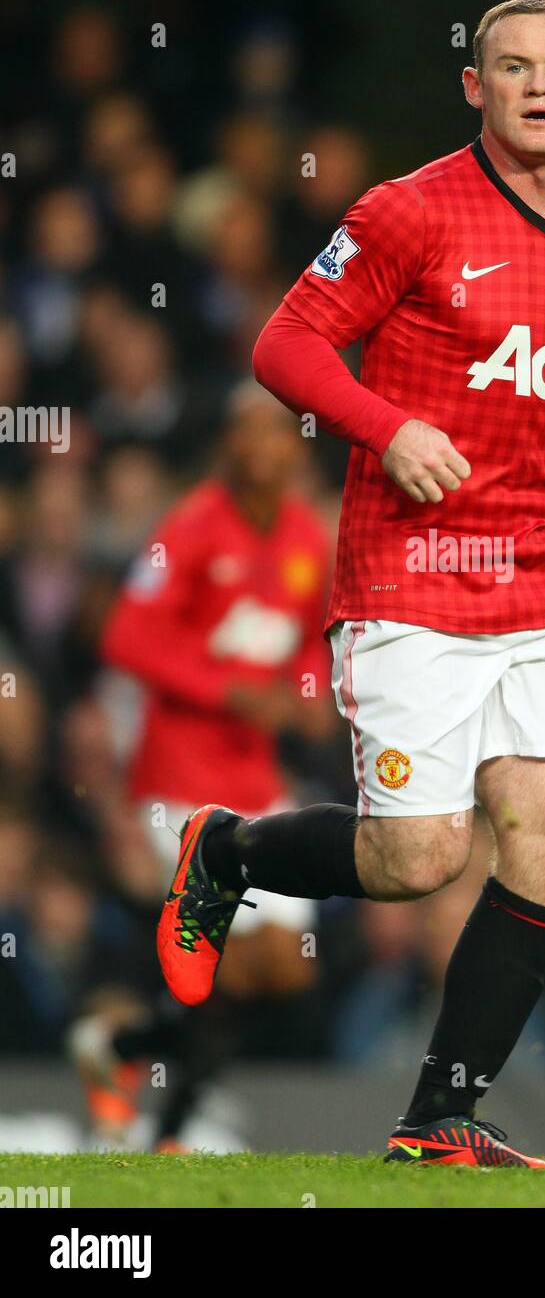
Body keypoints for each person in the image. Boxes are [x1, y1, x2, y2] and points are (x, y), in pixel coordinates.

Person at [156, 0, 545, 1168]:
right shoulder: (406, 212)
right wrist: (387, 426)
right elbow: (286, 345)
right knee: (416, 859)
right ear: (475, 86)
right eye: (512, 66)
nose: (536, 85)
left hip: (541, 583)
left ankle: (436, 1119)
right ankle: (227, 853)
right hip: (407, 576)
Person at [70, 382, 334, 1149]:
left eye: (277, 430)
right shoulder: (187, 529)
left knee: (283, 969)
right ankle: (173, 1135)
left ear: (297, 447)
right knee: (227, 966)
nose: (262, 445)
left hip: (255, 780)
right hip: (177, 778)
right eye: (247, 429)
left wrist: (309, 695)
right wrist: (231, 692)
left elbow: (314, 643)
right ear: (227, 445)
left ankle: (116, 1049)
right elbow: (125, 637)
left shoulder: (306, 540)